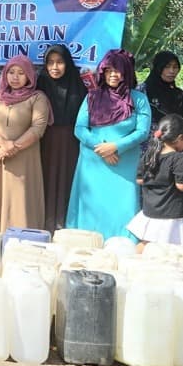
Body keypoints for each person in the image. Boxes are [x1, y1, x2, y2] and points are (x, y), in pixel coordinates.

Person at [67, 49, 151, 239]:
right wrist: (102, 148)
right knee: (92, 206)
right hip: (93, 162)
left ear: (127, 72)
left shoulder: (138, 99)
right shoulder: (92, 97)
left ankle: (122, 246)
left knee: (123, 205)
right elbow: (79, 129)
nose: (113, 74)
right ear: (103, 72)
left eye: (118, 70)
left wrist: (116, 147)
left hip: (124, 162)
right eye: (108, 70)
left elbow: (142, 132)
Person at [0, 55, 50, 233]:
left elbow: (38, 128)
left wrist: (14, 148)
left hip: (24, 160)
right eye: (11, 72)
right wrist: (3, 143)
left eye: (21, 73)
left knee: (20, 203)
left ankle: (23, 246)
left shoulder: (37, 98)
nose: (15, 77)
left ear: (29, 76)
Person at [36, 44, 87, 233]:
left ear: (68, 64)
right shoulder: (39, 85)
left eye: (59, 62)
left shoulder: (78, 87)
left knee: (67, 180)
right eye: (50, 63)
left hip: (71, 142)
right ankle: (43, 222)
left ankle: (65, 224)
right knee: (44, 179)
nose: (55, 67)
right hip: (43, 141)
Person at [127, 114, 183, 249]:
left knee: (146, 245)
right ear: (180, 138)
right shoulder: (178, 159)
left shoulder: (149, 155)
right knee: (172, 249)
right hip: (172, 215)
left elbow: (140, 180)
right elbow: (180, 185)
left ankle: (132, 263)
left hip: (150, 212)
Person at [140, 51, 183, 124]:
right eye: (167, 66)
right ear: (158, 67)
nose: (172, 71)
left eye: (175, 67)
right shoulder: (143, 91)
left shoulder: (179, 94)